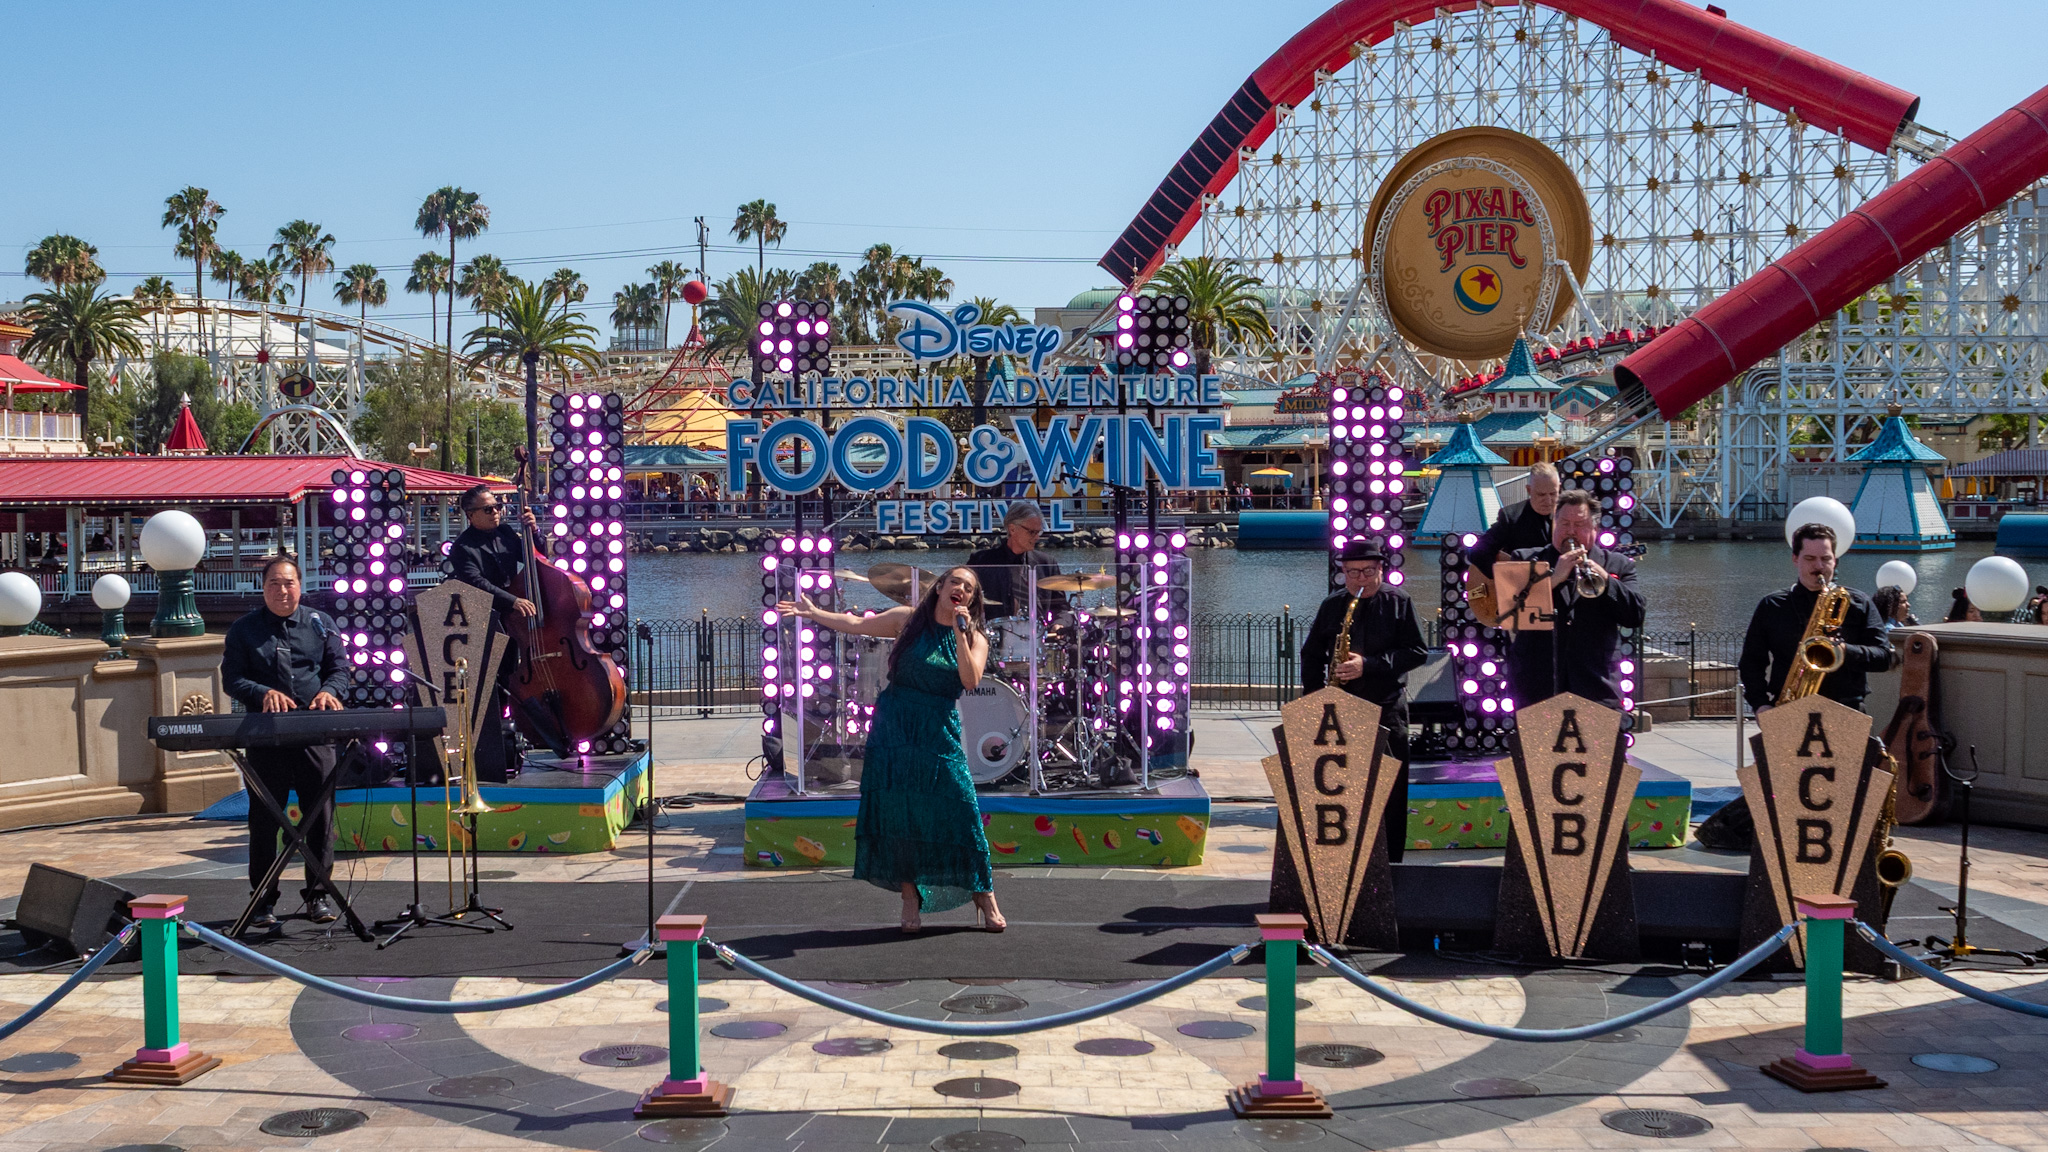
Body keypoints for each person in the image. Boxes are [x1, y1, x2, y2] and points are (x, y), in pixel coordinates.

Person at [778, 567, 1006, 934]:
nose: (960, 589)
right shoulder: (908, 621)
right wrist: (814, 614)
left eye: (968, 587)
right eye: (954, 582)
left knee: (959, 806)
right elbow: (855, 624)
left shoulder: (975, 637)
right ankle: (909, 896)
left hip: (938, 725)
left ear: (972, 599)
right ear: (941, 588)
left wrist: (962, 634)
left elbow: (969, 679)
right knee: (900, 812)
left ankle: (983, 891)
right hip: (895, 723)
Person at [220, 555, 348, 931]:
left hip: (314, 734)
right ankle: (262, 900)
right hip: (266, 738)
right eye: (275, 583)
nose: (282, 590)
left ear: (300, 586)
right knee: (264, 821)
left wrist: (329, 691)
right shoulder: (243, 629)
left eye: (289, 583)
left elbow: (339, 669)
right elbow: (232, 678)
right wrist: (263, 693)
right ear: (263, 588)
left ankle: (318, 896)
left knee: (320, 819)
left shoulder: (320, 624)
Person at [1298, 539, 1429, 862]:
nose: (1361, 579)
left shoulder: (1399, 601)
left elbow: (1417, 652)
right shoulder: (1333, 605)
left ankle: (1392, 863)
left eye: (1368, 571)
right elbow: (1311, 654)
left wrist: (1366, 665)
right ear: (1343, 573)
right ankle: (1348, 859)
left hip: (1387, 708)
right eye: (1352, 572)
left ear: (1381, 569)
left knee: (1393, 791)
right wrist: (1317, 702)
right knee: (1343, 790)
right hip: (1343, 713)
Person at [1502, 489, 1646, 709]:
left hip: (1598, 691)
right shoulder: (1525, 560)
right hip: (1537, 691)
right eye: (1564, 524)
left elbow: (1635, 615)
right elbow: (1508, 614)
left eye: (1579, 525)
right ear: (1554, 525)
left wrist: (1605, 580)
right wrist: (1552, 579)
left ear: (1595, 530)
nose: (1571, 532)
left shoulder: (1618, 565)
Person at [1737, 523, 1895, 715]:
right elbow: (1751, 662)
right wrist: (1760, 704)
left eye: (1826, 559)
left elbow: (1884, 657)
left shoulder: (1858, 602)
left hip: (1847, 709)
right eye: (1810, 559)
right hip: (1788, 708)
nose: (1819, 566)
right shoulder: (1772, 605)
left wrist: (1844, 651)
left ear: (1835, 561)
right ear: (1795, 558)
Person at [449, 484, 543, 772]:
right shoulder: (462, 548)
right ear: (470, 515)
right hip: (485, 622)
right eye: (488, 509)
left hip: (514, 618)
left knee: (518, 674)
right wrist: (512, 600)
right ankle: (495, 741)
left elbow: (535, 559)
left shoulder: (505, 534)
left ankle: (529, 731)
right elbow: (477, 584)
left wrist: (533, 533)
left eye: (498, 507)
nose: (496, 513)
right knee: (495, 682)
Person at [967, 501, 1065, 621]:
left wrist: (1060, 623)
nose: (1037, 537)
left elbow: (1061, 607)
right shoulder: (981, 561)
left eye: (1038, 532)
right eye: (1032, 532)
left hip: (1037, 635)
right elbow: (967, 602)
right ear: (1012, 529)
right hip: (992, 635)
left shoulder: (1046, 563)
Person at [1466, 461, 1560, 579]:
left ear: (1559, 488)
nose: (1548, 500)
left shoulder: (1569, 517)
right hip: (1520, 590)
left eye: (1553, 494)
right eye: (1541, 495)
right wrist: (1505, 580)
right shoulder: (1512, 516)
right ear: (1529, 490)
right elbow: (1478, 552)